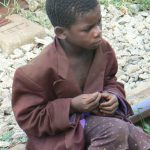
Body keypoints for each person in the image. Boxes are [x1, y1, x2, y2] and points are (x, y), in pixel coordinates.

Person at [12, 0, 150, 149]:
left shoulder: (102, 49)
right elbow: (29, 118)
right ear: (61, 32)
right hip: (64, 135)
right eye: (88, 29)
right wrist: (71, 106)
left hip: (98, 120)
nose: (98, 32)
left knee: (138, 137)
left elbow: (110, 80)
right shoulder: (34, 72)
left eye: (99, 22)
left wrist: (113, 96)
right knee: (114, 130)